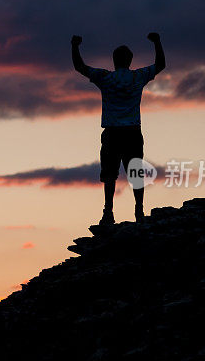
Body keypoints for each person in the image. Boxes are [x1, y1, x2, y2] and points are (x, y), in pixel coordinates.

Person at [71, 32, 165, 225]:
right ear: (130, 61)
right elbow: (161, 64)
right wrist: (157, 42)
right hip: (132, 131)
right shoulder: (137, 77)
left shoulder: (105, 78)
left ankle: (108, 212)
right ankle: (139, 210)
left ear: (114, 61)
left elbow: (80, 67)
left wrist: (75, 46)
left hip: (112, 132)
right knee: (136, 173)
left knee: (109, 174)